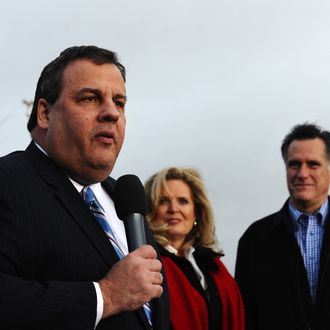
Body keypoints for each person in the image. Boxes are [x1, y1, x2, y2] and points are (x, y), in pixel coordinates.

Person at [0, 45, 169, 330]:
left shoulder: (127, 202)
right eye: (91, 99)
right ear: (44, 113)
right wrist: (106, 296)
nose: (111, 113)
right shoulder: (8, 182)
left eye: (119, 102)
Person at [235, 123, 330, 330]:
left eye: (313, 164)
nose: (302, 173)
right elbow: (246, 317)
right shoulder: (255, 240)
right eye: (295, 164)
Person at [144, 166, 245, 330]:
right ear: (150, 210)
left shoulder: (215, 268)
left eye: (183, 201)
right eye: (163, 201)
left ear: (196, 212)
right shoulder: (146, 263)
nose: (174, 209)